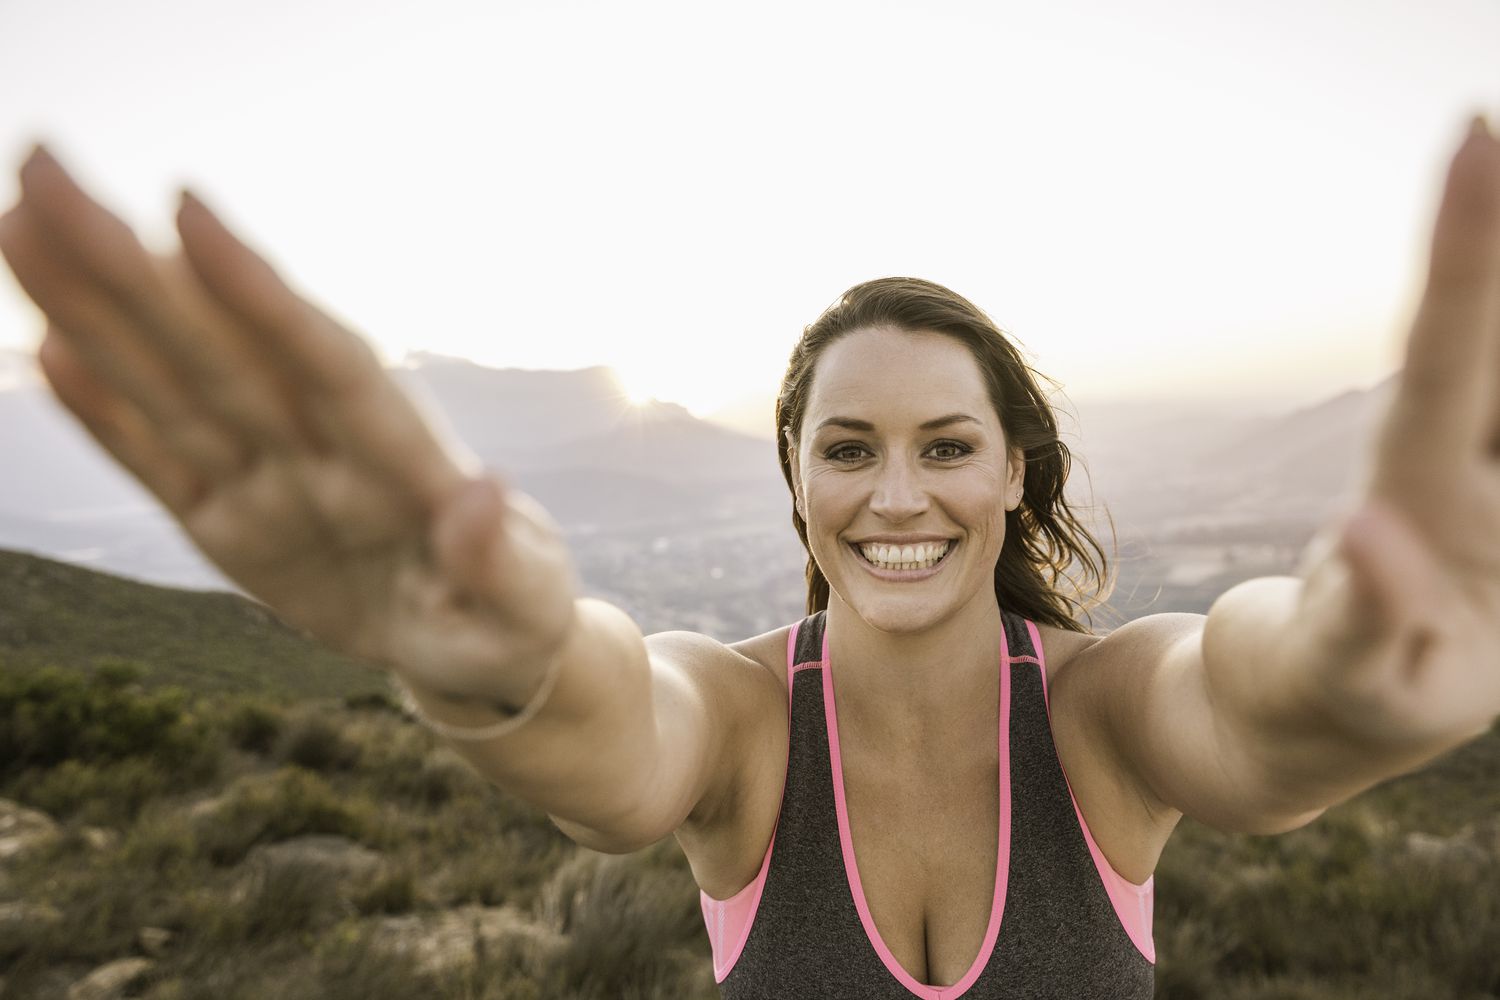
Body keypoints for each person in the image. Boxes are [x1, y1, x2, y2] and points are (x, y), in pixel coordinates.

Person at [1, 114, 1497, 998]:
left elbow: (1245, 696)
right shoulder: (735, 719)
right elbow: (614, 735)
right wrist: (500, 670)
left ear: (1017, 472)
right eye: (846, 450)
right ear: (794, 484)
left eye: (946, 445)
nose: (896, 494)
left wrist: (1349, 681)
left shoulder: (1102, 713)